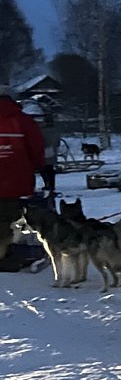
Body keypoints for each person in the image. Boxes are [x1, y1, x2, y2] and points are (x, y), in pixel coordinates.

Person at [0, 85, 46, 265]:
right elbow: (36, 149)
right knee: (8, 218)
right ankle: (5, 253)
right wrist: (37, 166)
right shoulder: (24, 121)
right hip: (15, 180)